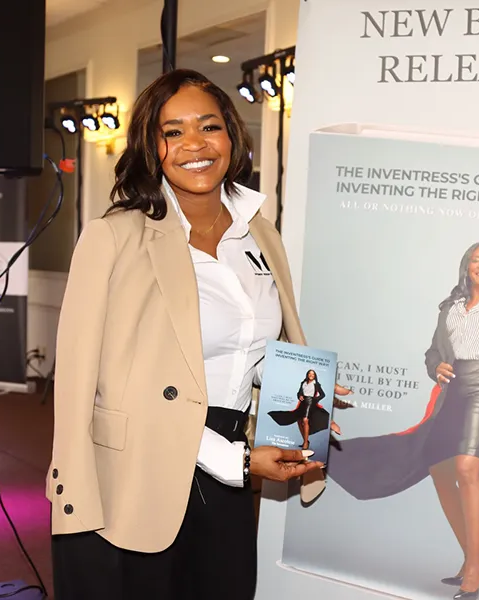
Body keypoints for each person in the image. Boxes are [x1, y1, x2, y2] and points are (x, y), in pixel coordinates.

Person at [46, 68, 349, 600]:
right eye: (173, 131)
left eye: (209, 127)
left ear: (232, 135)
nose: (195, 145)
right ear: (151, 146)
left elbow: (253, 347)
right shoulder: (114, 237)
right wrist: (234, 460)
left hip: (229, 470)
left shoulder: (258, 231)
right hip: (132, 479)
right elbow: (92, 384)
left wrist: (306, 395)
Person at [328, 242, 479, 599]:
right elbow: (433, 351)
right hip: (454, 390)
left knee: (466, 468)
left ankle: (475, 569)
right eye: (476, 260)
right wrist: (437, 367)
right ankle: (473, 557)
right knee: (440, 470)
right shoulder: (450, 307)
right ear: (467, 267)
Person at [267, 369, 329, 449]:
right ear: (307, 374)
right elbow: (299, 392)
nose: (311, 375)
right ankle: (305, 440)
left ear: (315, 376)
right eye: (310, 373)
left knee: (305, 420)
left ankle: (306, 443)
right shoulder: (303, 383)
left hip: (310, 402)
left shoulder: (316, 384)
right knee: (299, 421)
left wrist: (314, 399)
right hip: (302, 403)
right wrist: (299, 396)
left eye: (313, 374)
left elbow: (323, 394)